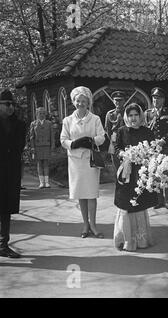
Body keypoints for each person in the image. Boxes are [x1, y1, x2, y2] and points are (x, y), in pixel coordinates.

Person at [60, 86, 105, 239]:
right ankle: (85, 224)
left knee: (91, 194)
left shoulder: (95, 119)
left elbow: (102, 137)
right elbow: (63, 139)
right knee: (81, 194)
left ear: (88, 102)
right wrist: (73, 144)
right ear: (74, 102)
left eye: (84, 101)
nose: (80, 103)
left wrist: (91, 141)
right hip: (75, 162)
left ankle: (93, 225)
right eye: (78, 101)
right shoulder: (67, 120)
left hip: (90, 161)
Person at [113, 103, 158, 251]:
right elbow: (117, 148)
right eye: (130, 115)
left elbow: (152, 149)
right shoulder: (121, 131)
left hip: (140, 173)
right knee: (126, 204)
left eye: (136, 115)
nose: (133, 118)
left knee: (139, 202)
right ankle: (126, 240)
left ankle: (141, 240)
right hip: (126, 173)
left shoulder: (147, 131)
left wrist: (143, 157)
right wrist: (123, 154)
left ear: (140, 116)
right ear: (127, 116)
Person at [0, 88, 26, 258]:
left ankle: (3, 245)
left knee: (6, 209)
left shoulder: (19, 124)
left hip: (9, 172)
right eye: (7, 104)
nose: (11, 107)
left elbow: (19, 146)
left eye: (13, 104)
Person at [144, 87, 168, 210]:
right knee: (155, 173)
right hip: (154, 149)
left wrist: (164, 140)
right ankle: (159, 200)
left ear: (163, 99)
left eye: (158, 98)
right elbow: (146, 130)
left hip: (166, 147)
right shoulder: (148, 113)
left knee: (166, 173)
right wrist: (151, 143)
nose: (155, 101)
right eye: (154, 98)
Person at [29, 107, 55, 188]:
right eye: (40, 113)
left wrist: (52, 145)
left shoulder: (49, 123)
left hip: (47, 145)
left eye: (43, 113)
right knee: (39, 164)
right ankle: (41, 182)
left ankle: (47, 182)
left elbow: (52, 135)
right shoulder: (33, 124)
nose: (42, 115)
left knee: (46, 163)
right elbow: (31, 137)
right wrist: (32, 148)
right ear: (37, 114)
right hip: (37, 146)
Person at [105, 90, 126, 171]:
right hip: (114, 140)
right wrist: (113, 140)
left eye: (120, 100)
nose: (118, 102)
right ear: (113, 101)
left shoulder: (127, 112)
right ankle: (117, 182)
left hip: (125, 139)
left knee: (127, 164)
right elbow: (107, 129)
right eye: (116, 100)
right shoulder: (110, 114)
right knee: (116, 166)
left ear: (124, 101)